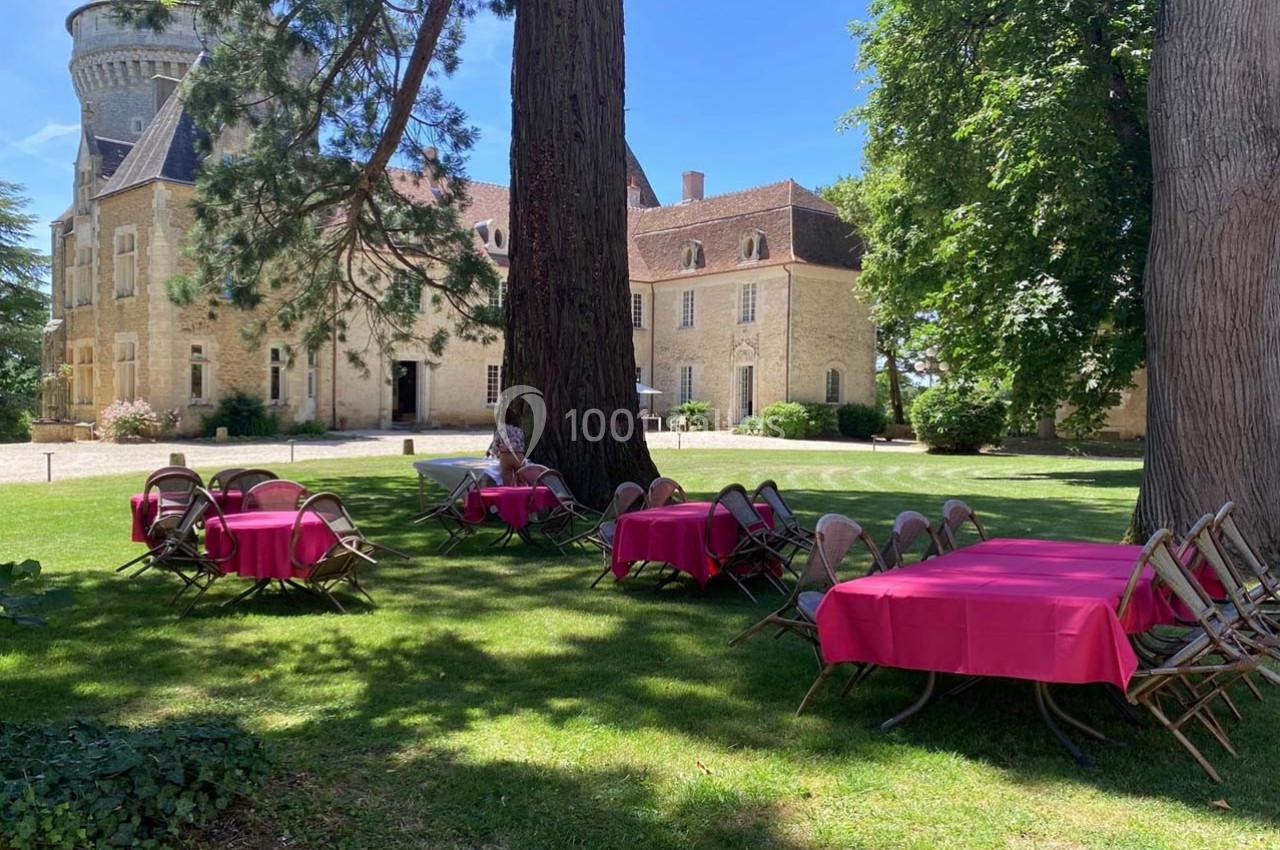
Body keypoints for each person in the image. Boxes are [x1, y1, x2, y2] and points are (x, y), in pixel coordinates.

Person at [488, 405, 526, 485]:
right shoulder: (519, 430)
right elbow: (522, 444)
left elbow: (496, 445)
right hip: (519, 455)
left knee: (507, 478)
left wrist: (493, 453)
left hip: (505, 456)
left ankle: (509, 494)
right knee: (521, 479)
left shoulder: (501, 429)